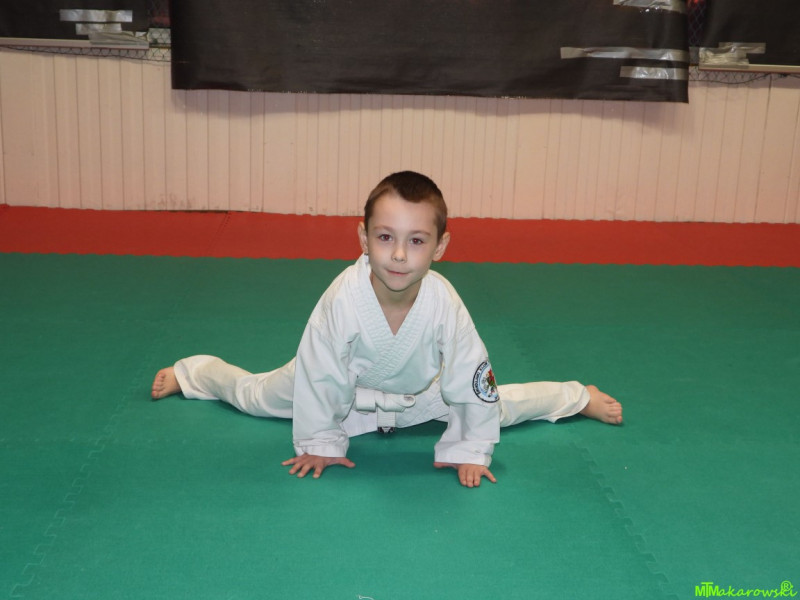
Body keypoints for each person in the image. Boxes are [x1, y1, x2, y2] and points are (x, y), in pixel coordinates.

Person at [152, 171, 622, 488]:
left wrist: (469, 448)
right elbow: (320, 374)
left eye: (416, 241)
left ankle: (576, 396)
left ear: (441, 246)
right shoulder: (342, 298)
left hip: (423, 395)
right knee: (255, 397)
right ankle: (194, 372)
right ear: (363, 238)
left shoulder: (444, 302)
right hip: (337, 390)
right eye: (385, 237)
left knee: (499, 407)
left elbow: (471, 374)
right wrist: (320, 443)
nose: (398, 255)